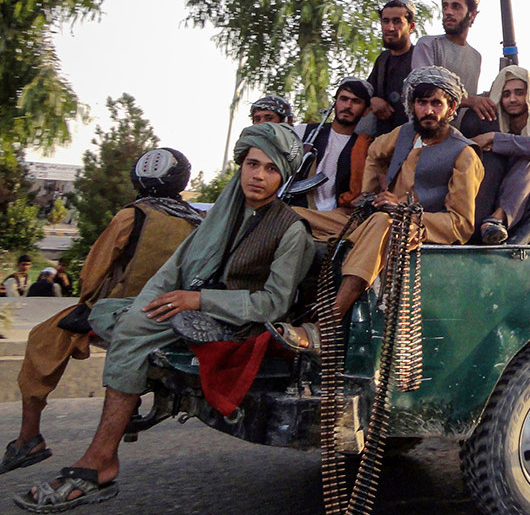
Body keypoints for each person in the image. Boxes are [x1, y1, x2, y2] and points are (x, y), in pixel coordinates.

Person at [14, 125, 314, 513]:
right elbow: (173, 269)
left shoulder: (291, 229)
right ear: (240, 165)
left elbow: (272, 304)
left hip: (240, 321)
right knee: (115, 315)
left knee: (134, 333)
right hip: (196, 306)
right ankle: (119, 414)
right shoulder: (225, 212)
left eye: (271, 169)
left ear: (282, 178)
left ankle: (100, 460)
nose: (258, 175)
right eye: (252, 164)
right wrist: (152, 302)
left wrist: (197, 299)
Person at [1, 148, 204, 480]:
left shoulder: (132, 215)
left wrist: (90, 304)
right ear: (182, 179)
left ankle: (28, 439)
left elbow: (93, 273)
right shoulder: (197, 220)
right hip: (172, 313)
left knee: (42, 338)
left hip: (120, 309)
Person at [270, 67, 484, 353]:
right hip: (374, 217)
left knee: (384, 223)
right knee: (288, 214)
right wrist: (369, 194)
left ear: (451, 108)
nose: (428, 110)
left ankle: (326, 326)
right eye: (422, 103)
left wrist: (407, 211)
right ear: (412, 105)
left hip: (415, 227)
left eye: (437, 103)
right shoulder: (405, 133)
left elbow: (461, 225)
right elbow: (375, 153)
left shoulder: (464, 154)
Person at [470, 65, 530, 245]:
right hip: (497, 193)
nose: (512, 99)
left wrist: (495, 139)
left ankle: (497, 219)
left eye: (519, 93)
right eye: (506, 94)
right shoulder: (497, 125)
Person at [411, 0, 496, 122]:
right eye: (445, 6)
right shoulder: (428, 44)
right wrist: (473, 100)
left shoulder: (475, 57)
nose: (448, 12)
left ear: (472, 14)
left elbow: (467, 99)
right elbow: (426, 90)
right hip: (428, 131)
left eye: (456, 6)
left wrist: (486, 98)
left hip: (460, 136)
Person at [292, 77, 374, 215]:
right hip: (295, 208)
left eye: (356, 101)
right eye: (343, 99)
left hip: (335, 215)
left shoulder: (365, 148)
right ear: (335, 103)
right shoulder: (303, 132)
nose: (348, 106)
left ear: (366, 110)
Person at [365, 0, 417, 137]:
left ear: (411, 27)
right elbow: (366, 90)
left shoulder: (420, 58)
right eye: (385, 21)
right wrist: (372, 100)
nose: (390, 28)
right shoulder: (382, 59)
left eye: (397, 21)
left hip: (412, 139)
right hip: (382, 140)